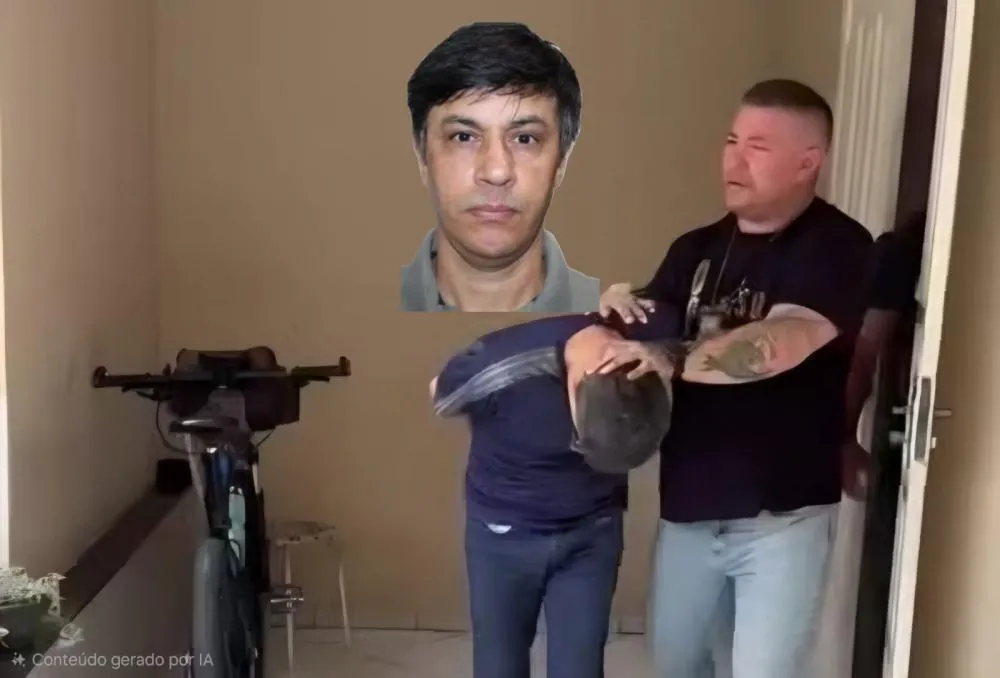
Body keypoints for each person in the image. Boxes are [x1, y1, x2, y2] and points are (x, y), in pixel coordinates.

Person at [595, 79, 874, 678]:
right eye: (731, 141)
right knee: (676, 666)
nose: (734, 160)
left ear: (809, 162)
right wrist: (618, 312)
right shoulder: (693, 250)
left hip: (782, 520)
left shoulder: (839, 245)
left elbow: (783, 340)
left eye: (758, 147)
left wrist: (670, 355)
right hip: (690, 508)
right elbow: (645, 332)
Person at [401, 22, 600, 313]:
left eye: (524, 139)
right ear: (422, 156)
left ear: (561, 162)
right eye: (464, 137)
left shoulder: (619, 320)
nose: (497, 172)